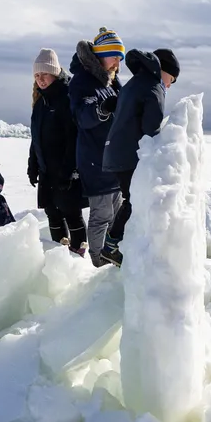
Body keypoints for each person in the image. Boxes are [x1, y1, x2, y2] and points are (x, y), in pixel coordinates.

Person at [99, 48, 180, 266]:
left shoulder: (135, 83)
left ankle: (117, 243)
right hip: (127, 154)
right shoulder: (153, 87)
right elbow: (150, 129)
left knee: (132, 198)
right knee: (135, 200)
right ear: (163, 71)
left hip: (115, 151)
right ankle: (112, 246)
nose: (170, 85)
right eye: (171, 79)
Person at [68, 28, 125, 266]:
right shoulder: (82, 81)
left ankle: (112, 255)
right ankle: (97, 262)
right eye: (113, 55)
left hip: (114, 160)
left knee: (116, 213)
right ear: (101, 54)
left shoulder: (112, 80)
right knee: (101, 216)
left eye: (119, 57)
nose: (117, 61)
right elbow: (81, 116)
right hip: (95, 160)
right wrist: (101, 110)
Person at [27, 48, 88, 256]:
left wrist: (68, 171)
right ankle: (59, 253)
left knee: (70, 212)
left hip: (64, 169)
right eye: (37, 75)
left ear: (54, 72)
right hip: (47, 169)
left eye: (44, 74)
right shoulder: (40, 101)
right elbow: (36, 136)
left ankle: (78, 253)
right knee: (52, 212)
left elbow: (74, 138)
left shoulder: (67, 97)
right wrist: (33, 165)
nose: (41, 79)